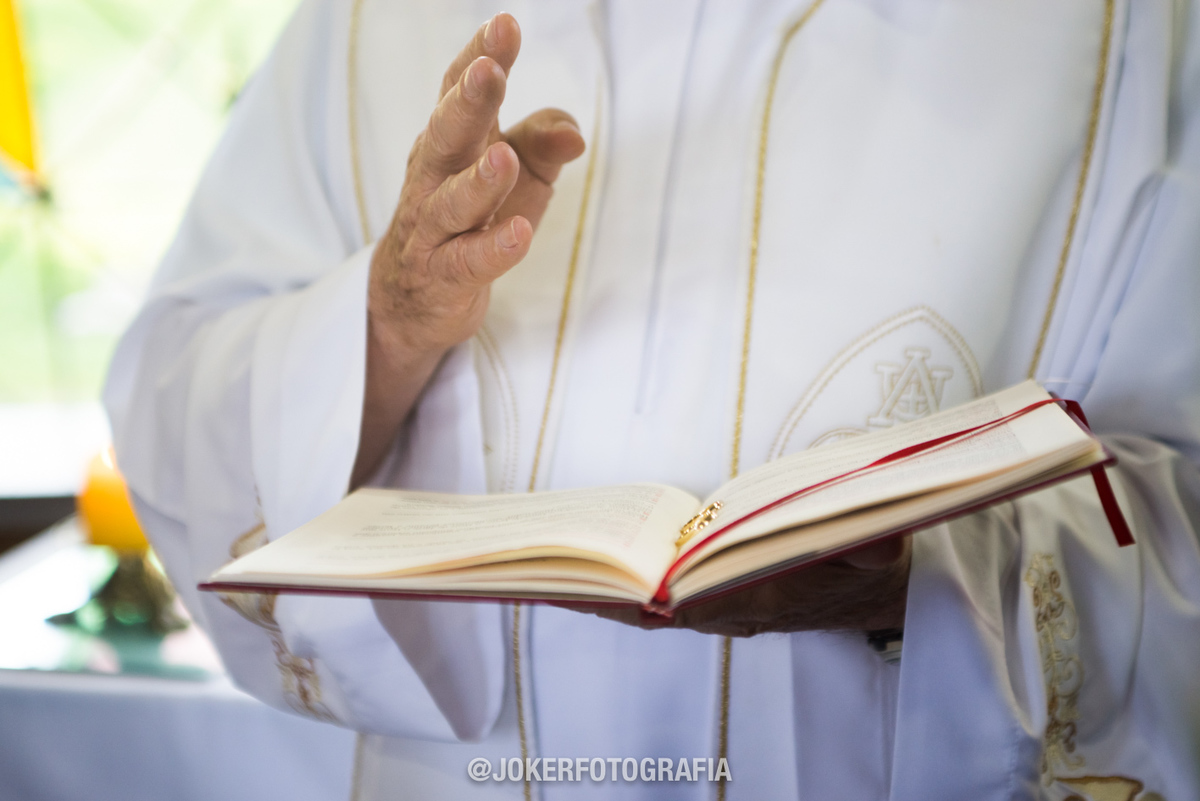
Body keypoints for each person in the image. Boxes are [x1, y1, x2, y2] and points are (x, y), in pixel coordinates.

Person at [105, 1, 1200, 798]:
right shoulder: (359, 30)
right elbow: (170, 389)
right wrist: (383, 329)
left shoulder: (1132, 39)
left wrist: (934, 578)